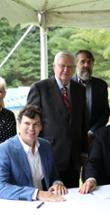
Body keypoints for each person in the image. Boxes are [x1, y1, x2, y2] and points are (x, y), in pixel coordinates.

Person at [27, 51, 88, 188]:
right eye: (62, 66)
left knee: (71, 198)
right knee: (50, 199)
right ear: (54, 67)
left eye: (70, 66)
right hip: (48, 156)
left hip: (74, 159)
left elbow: (83, 123)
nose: (66, 70)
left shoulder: (80, 90)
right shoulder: (39, 88)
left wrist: (84, 151)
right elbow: (30, 123)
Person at [0, 105, 67, 201]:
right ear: (18, 124)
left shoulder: (46, 146)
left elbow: (53, 176)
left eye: (36, 124)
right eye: (27, 123)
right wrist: (37, 194)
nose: (31, 128)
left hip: (45, 204)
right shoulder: (4, 150)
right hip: (18, 206)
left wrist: (57, 183)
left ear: (41, 127)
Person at [72, 50, 110, 145]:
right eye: (82, 61)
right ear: (76, 64)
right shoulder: (68, 85)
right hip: (72, 137)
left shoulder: (101, 85)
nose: (86, 65)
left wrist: (92, 131)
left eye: (89, 62)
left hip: (95, 137)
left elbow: (105, 113)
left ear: (93, 64)